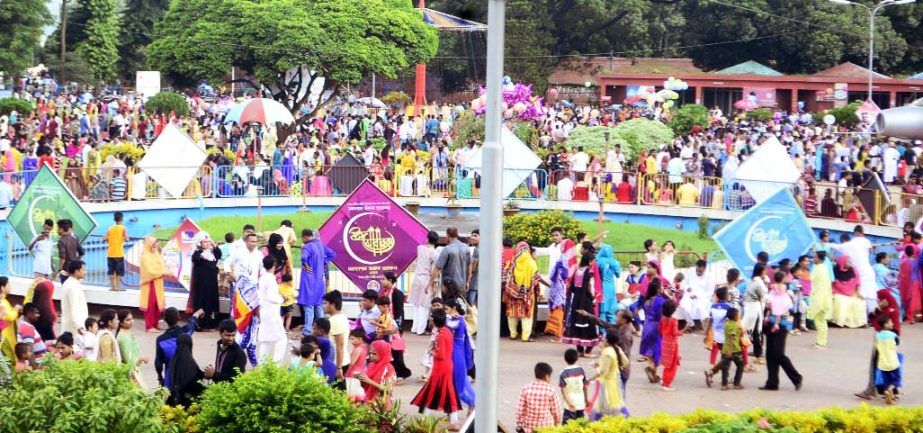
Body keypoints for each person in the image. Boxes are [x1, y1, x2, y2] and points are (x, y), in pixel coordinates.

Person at [411, 309, 461, 426]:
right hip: (447, 366)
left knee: (431, 392)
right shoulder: (447, 332)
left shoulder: (440, 335)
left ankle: (423, 419)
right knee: (449, 393)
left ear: (434, 321)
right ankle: (454, 421)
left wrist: (432, 351)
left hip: (440, 368)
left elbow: (441, 354)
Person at [760, 271, 803, 391]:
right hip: (771, 324)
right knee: (770, 354)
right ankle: (772, 382)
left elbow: (787, 310)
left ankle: (796, 377)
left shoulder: (785, 295)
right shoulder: (773, 293)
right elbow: (767, 305)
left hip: (781, 325)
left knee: (778, 354)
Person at [299, 229, 336, 336]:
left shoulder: (307, 246)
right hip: (319, 281)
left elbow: (303, 257)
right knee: (319, 306)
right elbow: (333, 254)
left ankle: (307, 330)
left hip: (309, 281)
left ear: (305, 237)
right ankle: (322, 329)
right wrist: (323, 261)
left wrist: (305, 265)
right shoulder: (320, 245)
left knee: (309, 307)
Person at [155, 307, 203, 389]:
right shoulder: (186, 332)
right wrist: (197, 314)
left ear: (165, 320)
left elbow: (158, 363)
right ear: (179, 317)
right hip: (187, 374)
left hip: (170, 377)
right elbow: (192, 322)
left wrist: (160, 378)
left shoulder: (161, 340)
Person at [507, 243, 545, 342]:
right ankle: (525, 336)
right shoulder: (531, 263)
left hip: (513, 293)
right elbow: (536, 278)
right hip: (527, 294)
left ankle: (513, 334)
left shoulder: (513, 262)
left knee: (512, 314)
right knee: (527, 315)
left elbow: (507, 275)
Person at [562, 254, 599, 355]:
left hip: (576, 302)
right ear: (590, 261)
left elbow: (572, 288)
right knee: (590, 323)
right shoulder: (589, 272)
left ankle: (579, 350)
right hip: (586, 302)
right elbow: (590, 288)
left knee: (576, 323)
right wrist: (594, 298)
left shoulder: (577, 271)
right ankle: (588, 351)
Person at [586, 332, 629, 419]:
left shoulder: (607, 352)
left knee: (605, 405)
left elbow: (603, 371)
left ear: (607, 340)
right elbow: (625, 362)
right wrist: (615, 366)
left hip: (607, 382)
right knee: (616, 403)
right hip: (615, 380)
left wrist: (590, 379)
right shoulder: (617, 348)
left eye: (604, 338)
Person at [516, 362, 563, 433]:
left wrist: (519, 424)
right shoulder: (550, 390)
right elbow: (556, 412)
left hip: (529, 428)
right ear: (547, 376)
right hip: (547, 428)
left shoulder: (526, 388)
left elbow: (520, 410)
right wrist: (557, 423)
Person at [445, 298, 475, 409]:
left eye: (447, 309)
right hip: (455, 351)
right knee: (456, 383)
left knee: (458, 385)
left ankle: (471, 403)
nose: (445, 311)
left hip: (457, 353)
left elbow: (452, 325)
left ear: (454, 308)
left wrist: (442, 318)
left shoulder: (458, 321)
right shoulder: (453, 319)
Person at [705, 307, 744, 390]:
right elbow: (731, 337)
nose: (738, 316)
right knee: (740, 365)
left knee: (725, 367)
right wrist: (730, 351)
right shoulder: (734, 325)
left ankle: (724, 384)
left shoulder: (726, 323)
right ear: (735, 316)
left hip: (725, 349)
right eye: (738, 315)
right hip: (734, 350)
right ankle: (737, 383)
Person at [257, 256, 286, 364]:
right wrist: (281, 299)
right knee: (282, 339)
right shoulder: (270, 279)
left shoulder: (263, 277)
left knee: (266, 340)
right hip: (272, 313)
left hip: (265, 311)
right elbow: (271, 297)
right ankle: (276, 364)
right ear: (274, 265)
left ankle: (263, 364)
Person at [190, 232, 222, 329]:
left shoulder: (212, 253)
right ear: (200, 243)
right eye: (205, 242)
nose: (208, 244)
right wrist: (199, 251)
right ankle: (200, 324)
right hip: (201, 285)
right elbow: (195, 259)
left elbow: (219, 254)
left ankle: (210, 324)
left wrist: (213, 244)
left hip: (212, 284)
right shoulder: (197, 254)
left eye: (209, 242)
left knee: (211, 302)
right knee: (201, 302)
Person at [411, 231, 439, 335]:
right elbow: (434, 270)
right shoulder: (435, 253)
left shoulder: (420, 248)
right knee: (425, 305)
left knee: (416, 304)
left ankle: (414, 328)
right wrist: (432, 284)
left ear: (427, 238)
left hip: (416, 278)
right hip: (426, 279)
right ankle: (421, 330)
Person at [430, 227, 470, 300]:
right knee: (461, 308)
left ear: (448, 235)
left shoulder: (447, 249)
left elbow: (437, 268)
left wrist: (430, 284)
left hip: (448, 286)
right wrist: (467, 281)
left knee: (448, 308)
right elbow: (469, 265)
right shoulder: (466, 247)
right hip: (462, 286)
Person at [204, 318, 248, 384]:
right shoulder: (220, 345)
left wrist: (214, 374)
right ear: (220, 333)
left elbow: (236, 379)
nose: (231, 338)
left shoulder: (239, 353)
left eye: (233, 335)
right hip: (217, 387)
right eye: (227, 335)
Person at [639, 278, 666, 381]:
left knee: (650, 352)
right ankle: (651, 369)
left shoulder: (647, 301)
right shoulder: (660, 301)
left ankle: (653, 375)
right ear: (659, 289)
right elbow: (663, 315)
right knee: (659, 352)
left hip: (646, 327)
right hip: (656, 328)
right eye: (662, 286)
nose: (663, 288)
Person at [167, 333, 205, 408]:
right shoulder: (191, 363)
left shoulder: (173, 361)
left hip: (175, 402)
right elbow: (196, 384)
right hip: (189, 404)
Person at [357, 340, 397, 406]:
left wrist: (369, 381)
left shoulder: (389, 368)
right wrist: (361, 379)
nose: (371, 356)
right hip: (369, 401)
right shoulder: (371, 365)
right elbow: (366, 385)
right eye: (370, 353)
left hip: (381, 403)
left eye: (374, 354)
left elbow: (387, 389)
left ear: (383, 353)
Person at [742, 263, 768, 366]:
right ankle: (758, 356)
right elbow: (763, 296)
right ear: (761, 271)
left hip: (750, 308)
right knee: (756, 332)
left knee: (751, 332)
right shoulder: (759, 283)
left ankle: (756, 354)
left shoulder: (752, 281)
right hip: (755, 309)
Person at [139, 237, 167, 332]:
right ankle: (149, 326)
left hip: (158, 283)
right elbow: (149, 272)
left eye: (156, 244)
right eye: (153, 244)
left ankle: (155, 324)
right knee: (150, 305)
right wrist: (162, 273)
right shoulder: (145, 256)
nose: (155, 246)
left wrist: (163, 272)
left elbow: (162, 266)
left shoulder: (156, 254)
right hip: (150, 284)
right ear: (148, 245)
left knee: (157, 305)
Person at [831, 256, 868, 328]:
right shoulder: (834, 271)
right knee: (842, 301)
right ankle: (840, 322)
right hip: (838, 292)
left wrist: (859, 293)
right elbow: (832, 284)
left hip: (852, 292)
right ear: (842, 263)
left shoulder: (854, 271)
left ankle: (861, 322)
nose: (850, 263)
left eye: (850, 262)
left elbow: (858, 283)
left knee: (860, 302)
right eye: (848, 262)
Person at [808, 251, 834, 349]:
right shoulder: (823, 268)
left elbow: (813, 282)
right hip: (823, 297)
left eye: (815, 257)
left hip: (820, 298)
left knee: (820, 321)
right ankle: (820, 341)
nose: (813, 259)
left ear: (819, 259)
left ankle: (821, 343)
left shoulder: (819, 269)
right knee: (820, 321)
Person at [323, 290, 351, 381]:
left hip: (337, 363)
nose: (324, 306)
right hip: (342, 361)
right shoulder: (342, 317)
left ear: (333, 304)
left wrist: (339, 368)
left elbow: (340, 345)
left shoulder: (334, 321)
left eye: (326, 303)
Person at [116, 310, 148, 386]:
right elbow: (128, 361)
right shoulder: (123, 337)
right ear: (121, 322)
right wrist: (141, 358)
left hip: (133, 370)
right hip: (129, 374)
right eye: (128, 320)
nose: (131, 321)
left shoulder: (127, 333)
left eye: (132, 319)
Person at [703, 287, 733, 366]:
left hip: (714, 334)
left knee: (714, 350)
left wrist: (706, 333)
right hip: (724, 335)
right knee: (725, 353)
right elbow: (729, 323)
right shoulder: (729, 308)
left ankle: (711, 367)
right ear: (726, 296)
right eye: (728, 293)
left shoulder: (713, 306)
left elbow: (710, 321)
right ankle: (721, 368)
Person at [875, 316, 901, 404]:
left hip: (882, 363)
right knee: (897, 379)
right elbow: (898, 343)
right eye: (890, 322)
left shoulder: (878, 336)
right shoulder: (893, 335)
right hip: (893, 362)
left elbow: (876, 347)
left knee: (887, 381)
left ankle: (889, 397)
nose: (892, 324)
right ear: (886, 325)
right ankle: (890, 390)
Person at [659, 299, 684, 391]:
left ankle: (664, 379)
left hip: (664, 342)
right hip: (672, 344)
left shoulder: (662, 318)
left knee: (666, 363)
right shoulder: (674, 320)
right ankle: (667, 383)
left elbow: (660, 330)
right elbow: (674, 333)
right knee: (672, 365)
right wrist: (682, 332)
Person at [681, 260, 713, 331]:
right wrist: (687, 288)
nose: (698, 273)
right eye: (697, 270)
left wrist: (699, 296)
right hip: (689, 295)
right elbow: (684, 282)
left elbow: (710, 292)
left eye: (700, 271)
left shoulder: (710, 277)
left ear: (704, 268)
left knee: (701, 307)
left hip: (702, 297)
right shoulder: (690, 271)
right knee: (684, 306)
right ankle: (691, 324)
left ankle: (706, 327)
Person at [559, 349, 587, 424]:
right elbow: (585, 387)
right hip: (580, 403)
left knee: (568, 427)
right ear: (577, 358)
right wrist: (586, 400)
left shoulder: (563, 373)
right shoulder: (581, 370)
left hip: (569, 405)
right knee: (581, 426)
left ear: (565, 359)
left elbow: (564, 391)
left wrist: (570, 403)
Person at [60, 261, 88, 336]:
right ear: (76, 271)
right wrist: (79, 326)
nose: (85, 272)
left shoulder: (69, 283)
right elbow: (74, 307)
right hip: (74, 328)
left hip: (71, 324)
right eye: (83, 270)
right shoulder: (73, 286)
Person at [595, 245, 621, 325]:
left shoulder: (598, 261)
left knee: (602, 310)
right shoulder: (615, 262)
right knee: (611, 309)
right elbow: (618, 275)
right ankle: (613, 329)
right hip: (611, 287)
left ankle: (603, 332)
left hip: (601, 286)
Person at [56, 219, 84, 284]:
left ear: (62, 229)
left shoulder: (61, 241)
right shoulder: (75, 239)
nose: (57, 230)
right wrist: (76, 260)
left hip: (66, 271)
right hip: (74, 270)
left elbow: (62, 257)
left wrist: (60, 270)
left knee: (66, 289)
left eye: (57, 228)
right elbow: (81, 252)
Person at [104, 212, 127, 292]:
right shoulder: (123, 228)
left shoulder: (110, 228)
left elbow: (104, 238)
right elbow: (127, 239)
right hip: (119, 253)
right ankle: (117, 287)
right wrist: (124, 238)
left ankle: (112, 287)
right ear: (122, 218)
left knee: (111, 271)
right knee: (119, 271)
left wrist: (109, 240)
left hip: (110, 253)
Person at [312, 319, 339, 384]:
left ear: (321, 331)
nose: (312, 331)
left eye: (314, 329)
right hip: (330, 371)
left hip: (321, 373)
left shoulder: (320, 341)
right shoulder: (329, 342)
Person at [899, 245, 920, 323]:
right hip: (915, 281)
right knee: (913, 300)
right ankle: (913, 317)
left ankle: (910, 318)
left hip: (906, 282)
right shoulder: (916, 260)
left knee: (907, 299)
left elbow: (902, 273)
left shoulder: (904, 261)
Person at [466, 229, 480, 305]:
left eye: (475, 235)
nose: (472, 237)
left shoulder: (477, 251)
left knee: (470, 305)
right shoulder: (485, 249)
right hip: (480, 284)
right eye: (471, 235)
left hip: (473, 284)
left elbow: (472, 269)